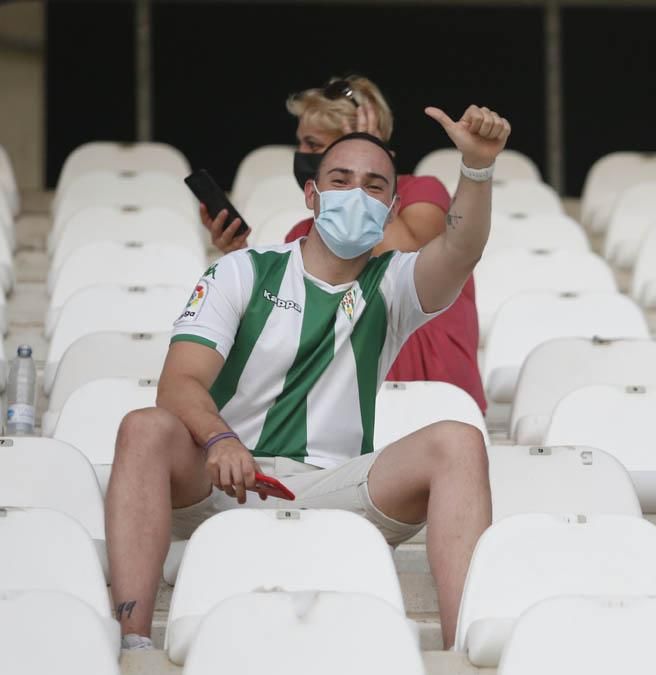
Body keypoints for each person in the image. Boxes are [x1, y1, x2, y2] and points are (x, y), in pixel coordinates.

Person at [107, 103, 511, 651]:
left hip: (337, 487)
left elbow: (462, 247)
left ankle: (463, 650)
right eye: (339, 181)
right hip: (228, 478)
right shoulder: (241, 270)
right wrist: (221, 438)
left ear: (392, 206)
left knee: (459, 441)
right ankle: (133, 645)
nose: (354, 194)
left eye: (373, 186)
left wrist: (478, 167)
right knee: (144, 426)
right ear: (311, 196)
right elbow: (179, 383)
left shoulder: (396, 283)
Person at [204, 75, 486, 413]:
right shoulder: (301, 233)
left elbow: (413, 262)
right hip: (349, 406)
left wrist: (369, 155)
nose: (301, 155)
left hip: (438, 396)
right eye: (301, 144)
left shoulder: (422, 192)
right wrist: (240, 256)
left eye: (311, 144)